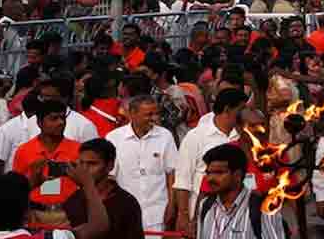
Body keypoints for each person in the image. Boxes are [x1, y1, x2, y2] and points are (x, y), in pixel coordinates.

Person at [175, 88, 246, 238]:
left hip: (240, 211)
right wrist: (183, 215)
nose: (245, 114)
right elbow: (183, 179)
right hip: (204, 212)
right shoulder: (196, 136)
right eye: (241, 109)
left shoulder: (244, 136)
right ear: (227, 109)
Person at [0, 169, 108, 239]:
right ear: (27, 212)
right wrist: (88, 183)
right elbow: (99, 226)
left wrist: (22, 190)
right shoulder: (51, 238)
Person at [107, 95, 178, 235]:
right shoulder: (114, 138)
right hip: (125, 213)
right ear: (132, 114)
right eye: (149, 114)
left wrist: (171, 205)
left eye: (156, 113)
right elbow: (110, 178)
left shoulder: (165, 136)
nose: (154, 118)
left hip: (157, 213)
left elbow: (171, 173)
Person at [10, 98, 80, 228]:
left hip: (67, 217)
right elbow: (16, 189)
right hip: (34, 216)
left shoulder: (77, 150)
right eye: (54, 119)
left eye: (62, 118)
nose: (60, 122)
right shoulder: (24, 151)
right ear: (39, 123)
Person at [198, 144, 285, 239]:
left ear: (237, 175)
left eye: (219, 173)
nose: (210, 178)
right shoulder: (206, 205)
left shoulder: (263, 208)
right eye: (208, 173)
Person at [64, 138, 144, 239]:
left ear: (110, 166)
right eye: (81, 163)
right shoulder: (73, 200)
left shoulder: (127, 203)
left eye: (92, 164)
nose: (84, 169)